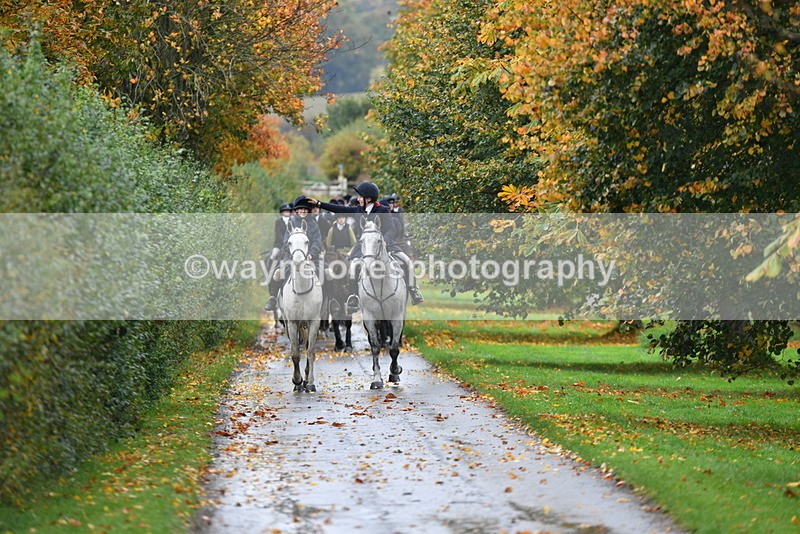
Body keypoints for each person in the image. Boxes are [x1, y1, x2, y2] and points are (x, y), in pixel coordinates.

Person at [307, 181, 424, 312]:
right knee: (353, 267)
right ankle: (353, 296)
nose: (358, 199)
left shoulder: (383, 210)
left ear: (368, 199)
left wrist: (385, 241)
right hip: (363, 248)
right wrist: (319, 203)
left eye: (360, 197)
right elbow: (339, 209)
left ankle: (413, 290)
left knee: (407, 261)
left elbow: (391, 229)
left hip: (384, 246)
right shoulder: (358, 210)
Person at [264, 195, 323, 312]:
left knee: (327, 273)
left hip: (311, 257)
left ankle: (331, 300)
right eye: (300, 209)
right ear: (296, 210)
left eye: (305, 209)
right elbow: (286, 242)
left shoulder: (314, 224)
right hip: (291, 257)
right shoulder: (291, 223)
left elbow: (317, 241)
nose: (303, 211)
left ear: (308, 210)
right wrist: (294, 254)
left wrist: (311, 253)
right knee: (277, 274)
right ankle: (273, 298)